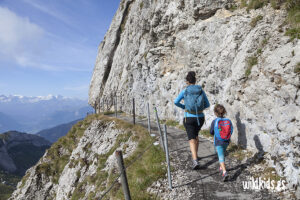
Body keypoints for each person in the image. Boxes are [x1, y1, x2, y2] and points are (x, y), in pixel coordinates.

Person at [174, 71, 210, 170]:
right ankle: (196, 156)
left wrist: (184, 106)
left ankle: (195, 160)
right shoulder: (200, 90)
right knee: (196, 135)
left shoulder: (185, 91)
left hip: (189, 117)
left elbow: (175, 102)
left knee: (191, 138)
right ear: (195, 80)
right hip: (200, 118)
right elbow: (207, 104)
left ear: (187, 81)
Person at [210, 104, 233, 181]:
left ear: (215, 113)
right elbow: (231, 131)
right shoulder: (228, 121)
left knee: (220, 156)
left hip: (218, 141)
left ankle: (224, 172)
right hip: (226, 141)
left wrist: (216, 133)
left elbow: (211, 132)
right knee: (223, 153)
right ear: (224, 112)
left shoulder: (215, 121)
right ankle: (221, 166)